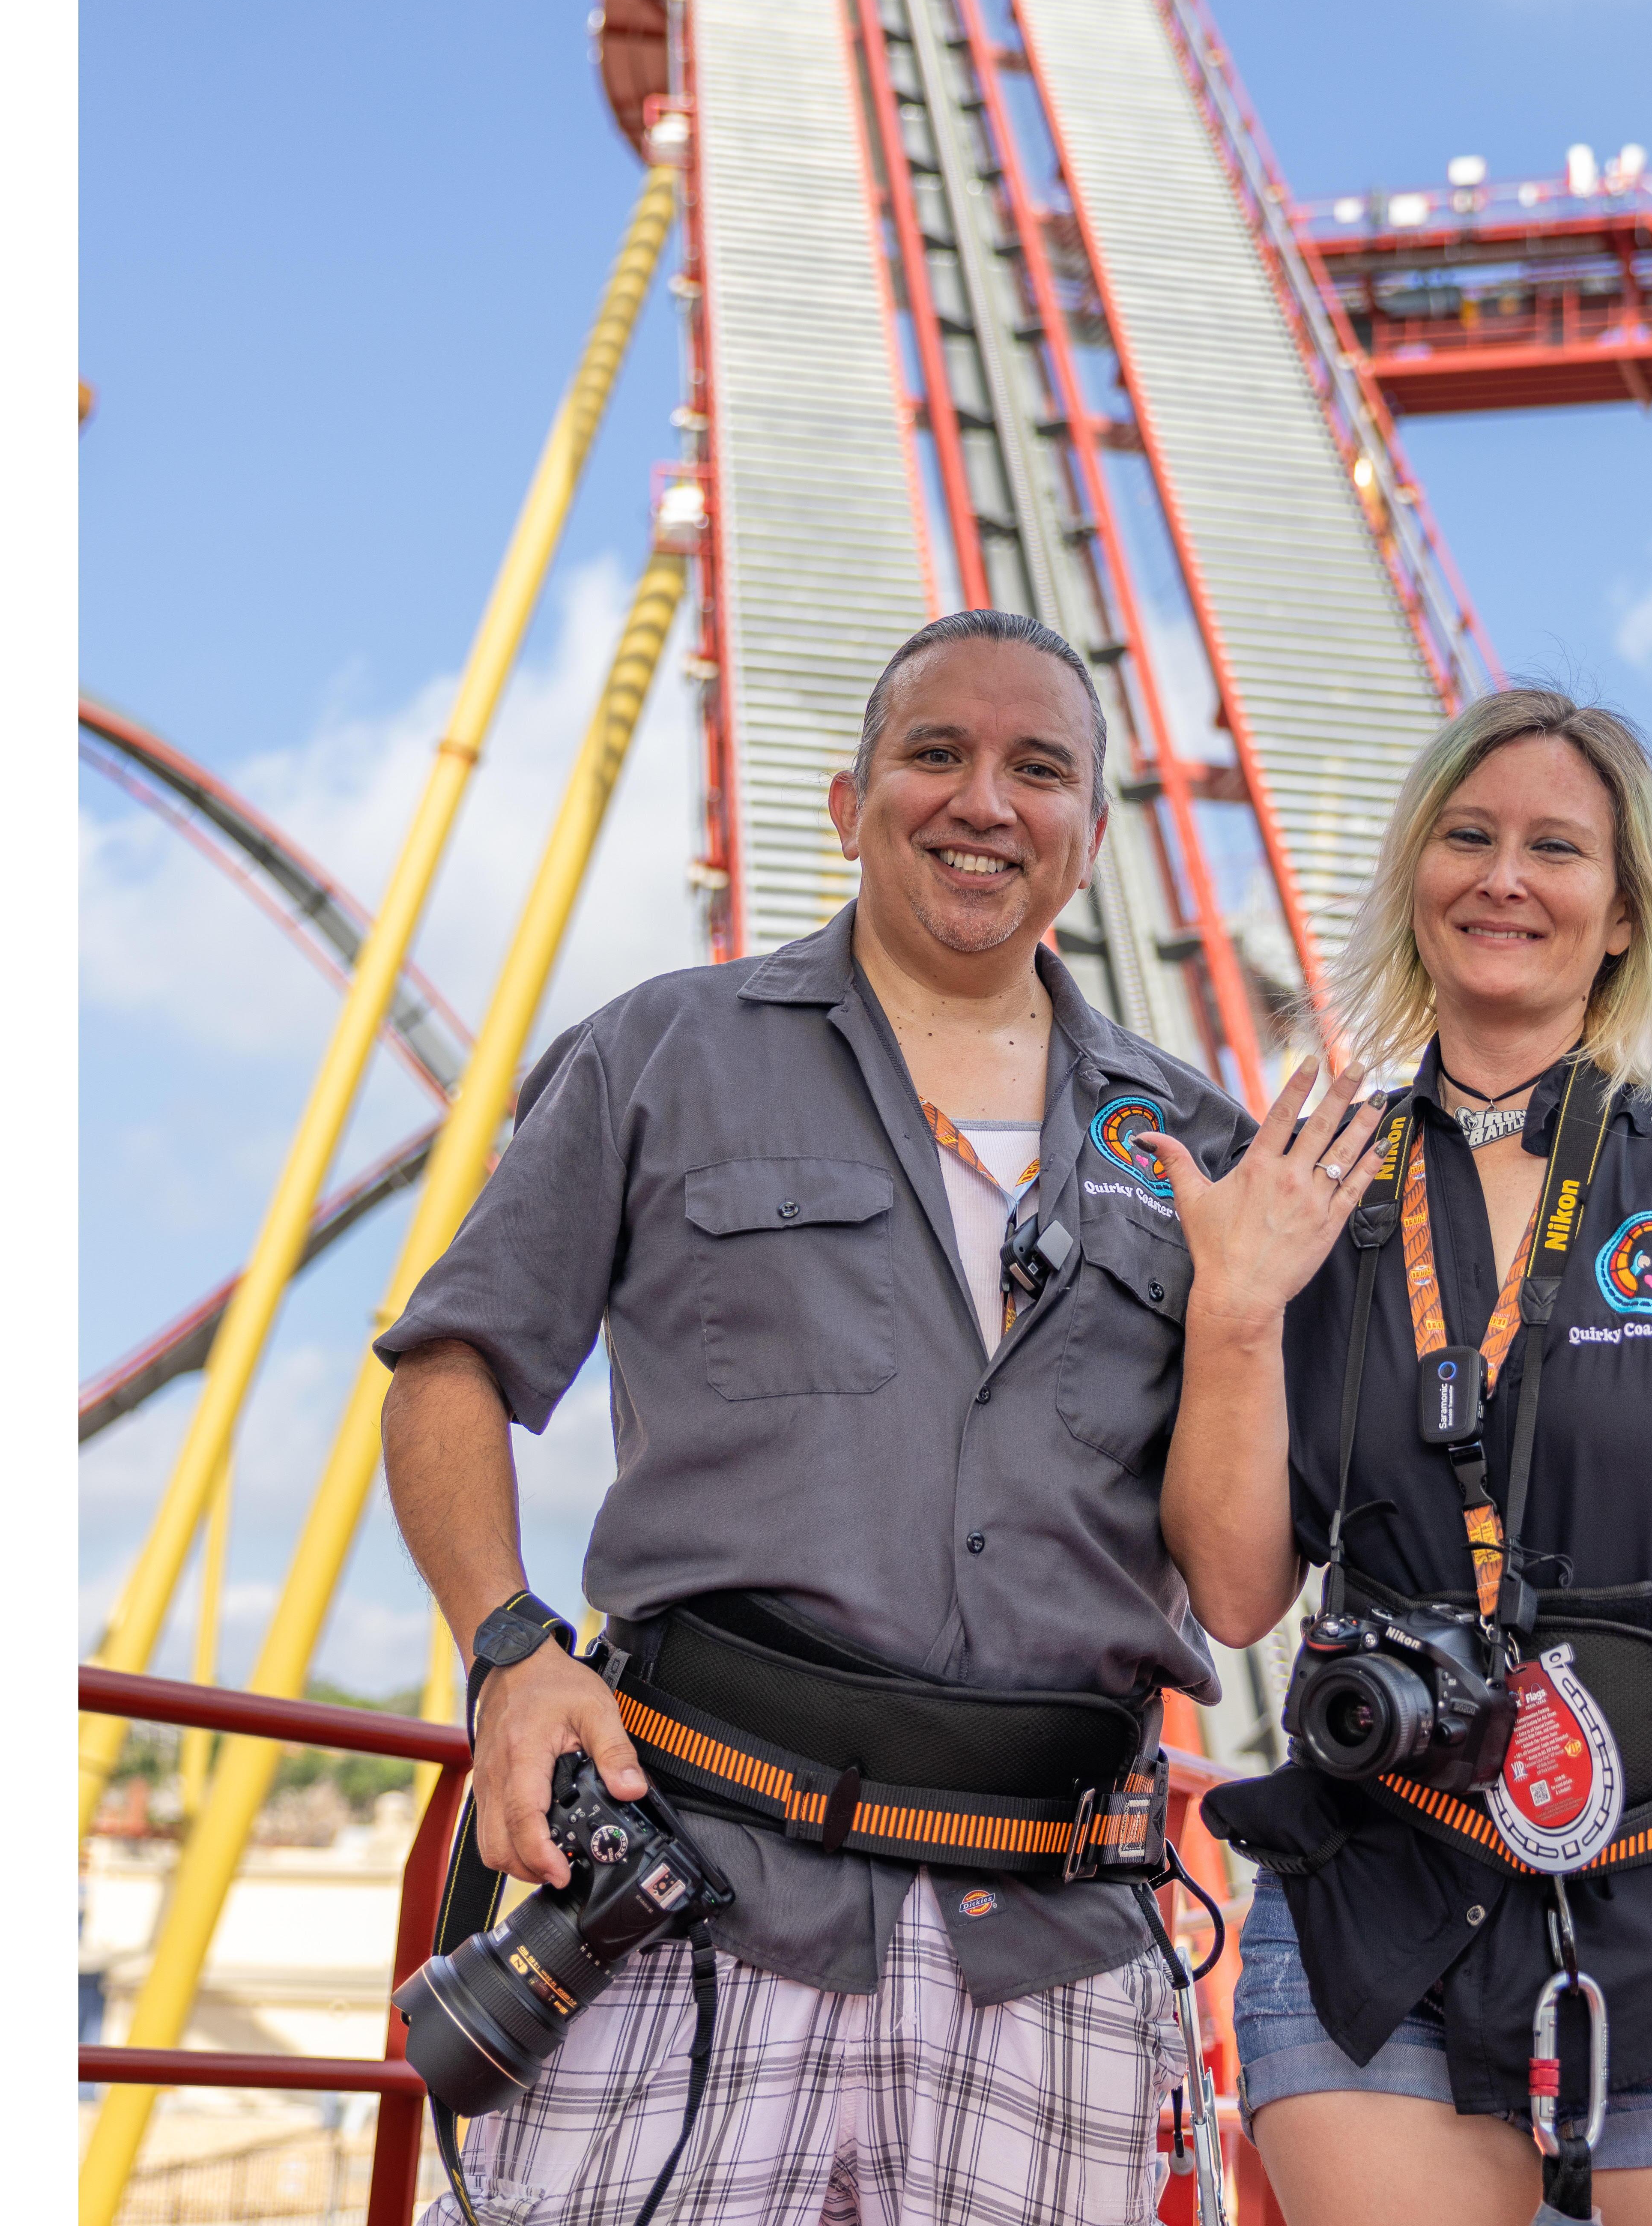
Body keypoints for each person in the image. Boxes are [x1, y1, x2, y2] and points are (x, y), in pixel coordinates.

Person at [376, 607, 1307, 2226]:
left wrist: (1238, 1317)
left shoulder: (1205, 1150)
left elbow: (1238, 1588)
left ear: (1089, 836)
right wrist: (509, 1648)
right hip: (704, 1905)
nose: (984, 801)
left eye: (1038, 770)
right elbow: (450, 1364)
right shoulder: (661, 1052)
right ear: (847, 801)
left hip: (1055, 1946)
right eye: (936, 753)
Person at [1149, 685, 1652, 2226]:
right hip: (1380, 1903)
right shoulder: (1313, 1189)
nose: (1504, 877)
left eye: (1556, 848)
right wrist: (1232, 1312)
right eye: (1468, 837)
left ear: (1624, 913)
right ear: (1415, 878)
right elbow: (1235, 1599)